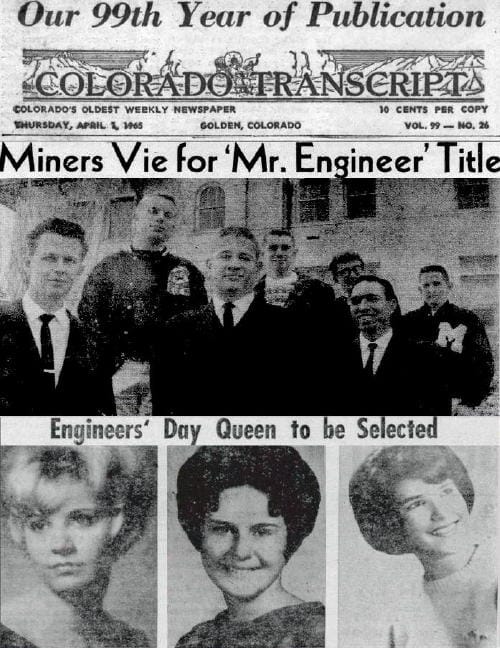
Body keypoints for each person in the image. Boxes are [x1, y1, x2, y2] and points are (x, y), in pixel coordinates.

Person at [0, 446, 156, 648]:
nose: (60, 545)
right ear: (18, 530)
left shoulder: (131, 642)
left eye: (82, 519)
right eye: (38, 525)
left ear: (118, 521)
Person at [174, 446, 325, 648]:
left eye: (262, 531)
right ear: (197, 533)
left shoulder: (319, 635)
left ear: (291, 536)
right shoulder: (195, 641)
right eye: (222, 529)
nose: (241, 551)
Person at [349, 446, 497, 648]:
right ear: (391, 522)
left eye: (446, 491)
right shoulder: (400, 615)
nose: (441, 512)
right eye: (416, 504)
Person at [78, 186, 207, 415]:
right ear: (135, 219)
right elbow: (89, 321)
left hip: (170, 375)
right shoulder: (107, 268)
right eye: (153, 212)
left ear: (175, 225)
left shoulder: (187, 271)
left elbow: (201, 326)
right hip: (120, 372)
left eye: (168, 215)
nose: (160, 219)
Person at [151, 226, 301, 414]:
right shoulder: (175, 329)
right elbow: (164, 405)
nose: (234, 265)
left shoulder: (288, 326)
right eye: (225, 256)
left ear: (258, 268)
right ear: (209, 266)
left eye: (244, 258)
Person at [0, 218, 114, 415]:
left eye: (69, 260)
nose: (60, 268)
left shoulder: (93, 340)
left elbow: (102, 414)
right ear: (28, 263)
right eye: (49, 258)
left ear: (80, 269)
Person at [339, 275, 450, 413]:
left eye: (372, 299)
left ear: (391, 305)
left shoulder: (425, 355)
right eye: (355, 301)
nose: (363, 307)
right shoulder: (337, 356)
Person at [402, 265, 494, 409]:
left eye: (437, 284)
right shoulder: (408, 322)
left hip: (455, 403)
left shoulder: (467, 319)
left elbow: (484, 364)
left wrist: (469, 402)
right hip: (416, 404)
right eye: (426, 285)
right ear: (420, 290)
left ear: (449, 286)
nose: (431, 290)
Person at [254, 229, 336, 336]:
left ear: (294, 253)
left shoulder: (318, 290)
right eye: (273, 248)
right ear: (262, 254)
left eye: (285, 248)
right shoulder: (250, 293)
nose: (279, 253)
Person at [328, 251, 365, 341]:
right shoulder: (334, 309)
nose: (352, 275)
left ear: (364, 271)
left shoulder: (382, 299)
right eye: (344, 272)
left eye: (356, 269)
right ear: (336, 278)